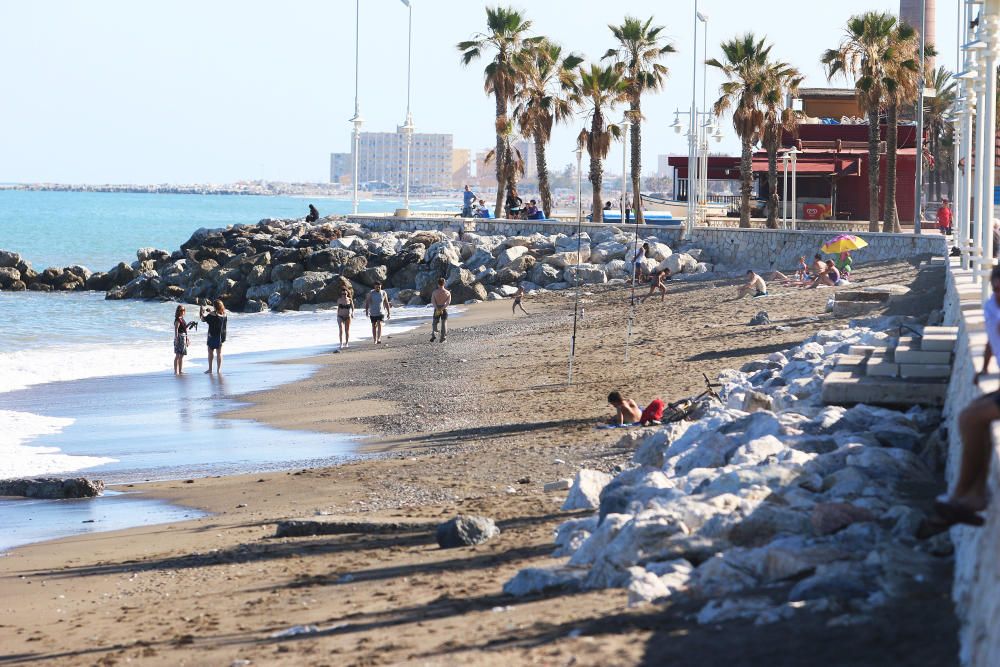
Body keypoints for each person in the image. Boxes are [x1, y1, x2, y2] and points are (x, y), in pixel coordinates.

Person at [926, 265, 1000, 533]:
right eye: (996, 290)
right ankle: (973, 493)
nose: (998, 295)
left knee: (971, 417)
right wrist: (983, 369)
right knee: (972, 412)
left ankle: (960, 496)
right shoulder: (992, 306)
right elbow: (992, 339)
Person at [199, 299, 227, 374]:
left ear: (215, 306)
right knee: (219, 353)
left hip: (212, 336)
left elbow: (202, 319)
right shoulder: (224, 314)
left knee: (210, 352)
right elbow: (217, 317)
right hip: (221, 336)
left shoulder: (212, 314)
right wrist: (210, 311)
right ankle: (218, 370)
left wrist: (201, 311)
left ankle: (210, 369)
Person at [430, 277, 451, 342]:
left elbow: (433, 301)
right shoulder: (448, 292)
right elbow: (448, 302)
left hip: (437, 308)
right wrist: (442, 308)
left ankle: (434, 335)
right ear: (444, 283)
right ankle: (443, 338)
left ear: (438, 284)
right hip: (444, 309)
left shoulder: (434, 292)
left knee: (435, 323)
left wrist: (437, 309)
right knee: (444, 323)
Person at [336, 286, 354, 350]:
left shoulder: (350, 300)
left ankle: (346, 343)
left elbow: (352, 307)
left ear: (347, 294)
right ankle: (341, 343)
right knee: (341, 330)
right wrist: (337, 315)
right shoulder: (339, 300)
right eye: (343, 294)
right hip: (340, 316)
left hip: (347, 317)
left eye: (345, 294)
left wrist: (352, 313)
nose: (344, 295)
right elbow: (338, 308)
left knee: (347, 330)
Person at [173, 305, 190, 375]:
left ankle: (180, 370)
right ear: (178, 311)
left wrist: (187, 338)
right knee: (177, 355)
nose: (182, 312)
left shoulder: (182, 319)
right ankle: (175, 371)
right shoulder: (177, 319)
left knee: (182, 355)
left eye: (183, 310)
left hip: (183, 336)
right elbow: (176, 329)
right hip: (179, 337)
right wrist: (176, 338)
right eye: (181, 310)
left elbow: (185, 329)